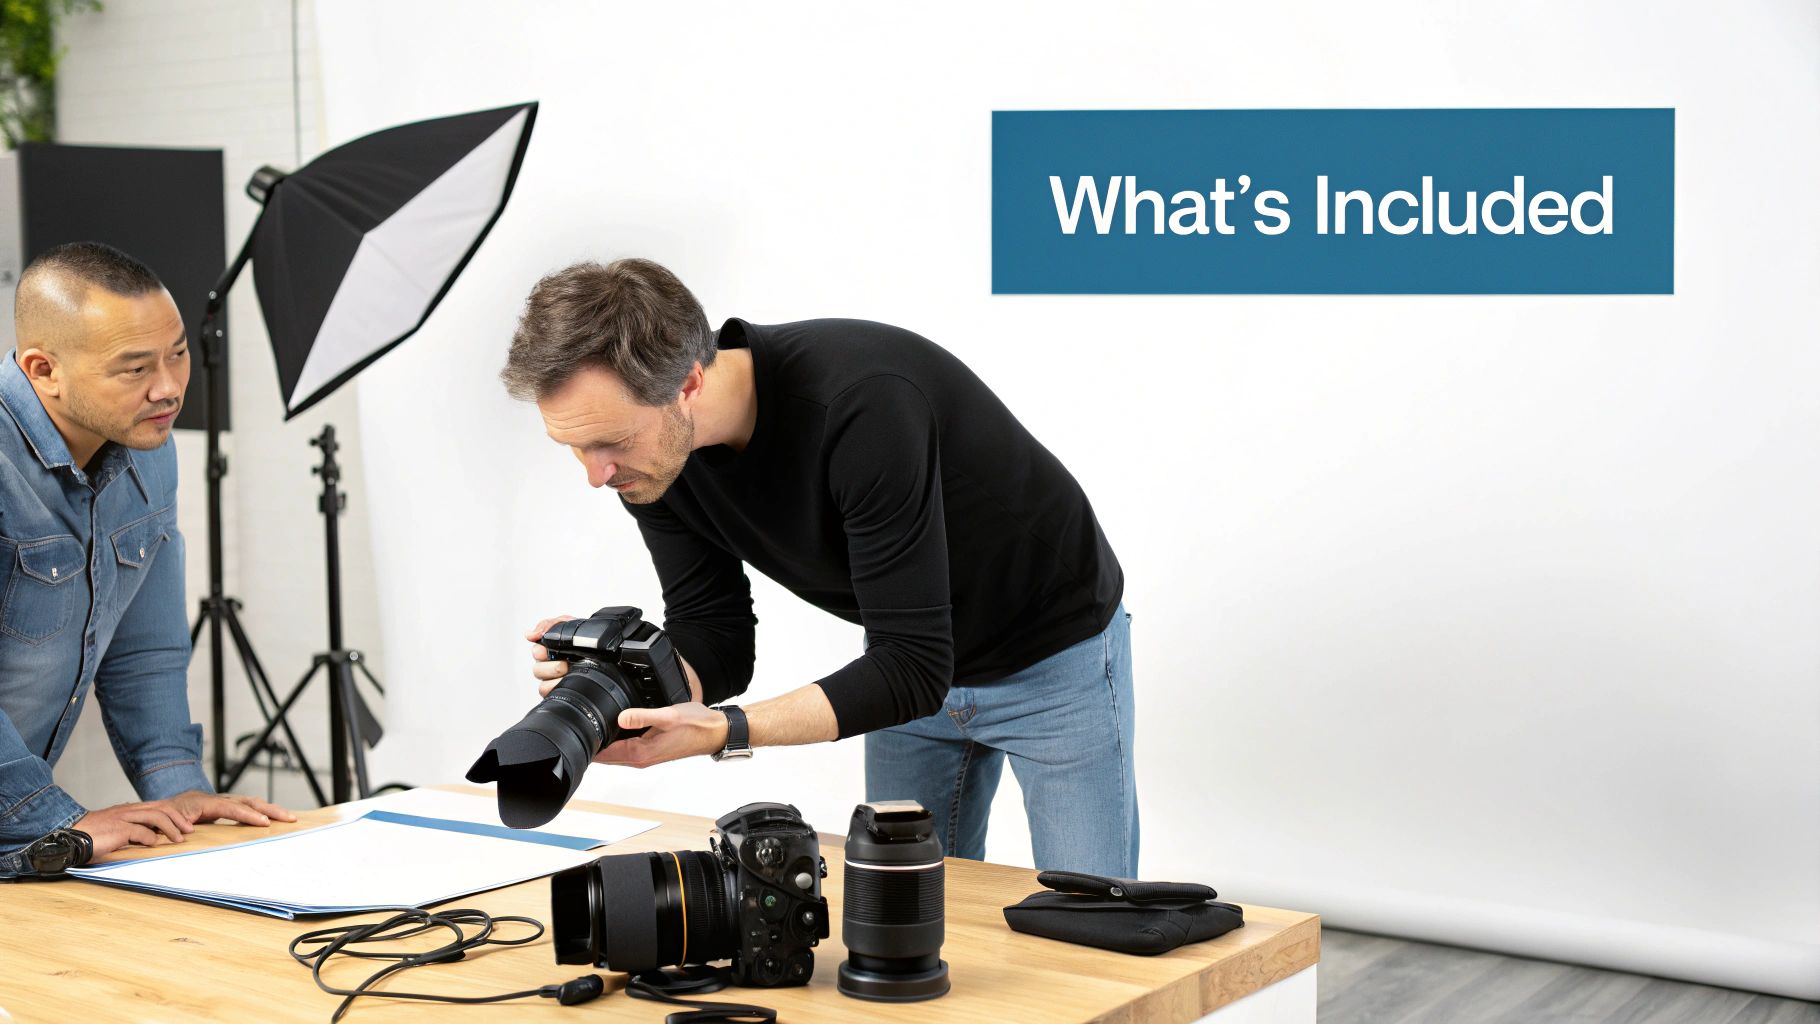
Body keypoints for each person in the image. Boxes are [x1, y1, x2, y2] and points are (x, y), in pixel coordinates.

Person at [508, 258, 1135, 875]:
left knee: (1092, 914)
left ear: (689, 383)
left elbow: (914, 667)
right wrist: (632, 690)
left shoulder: (863, 404)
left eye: (611, 442)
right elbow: (717, 635)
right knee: (898, 907)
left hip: (1052, 652)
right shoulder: (654, 464)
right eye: (575, 447)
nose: (596, 475)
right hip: (905, 663)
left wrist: (726, 730)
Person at [0, 242, 293, 880]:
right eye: (135, 368)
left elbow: (145, 652)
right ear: (44, 370)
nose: (169, 389)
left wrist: (178, 787)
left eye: (177, 354)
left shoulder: (147, 448)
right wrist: (49, 819)